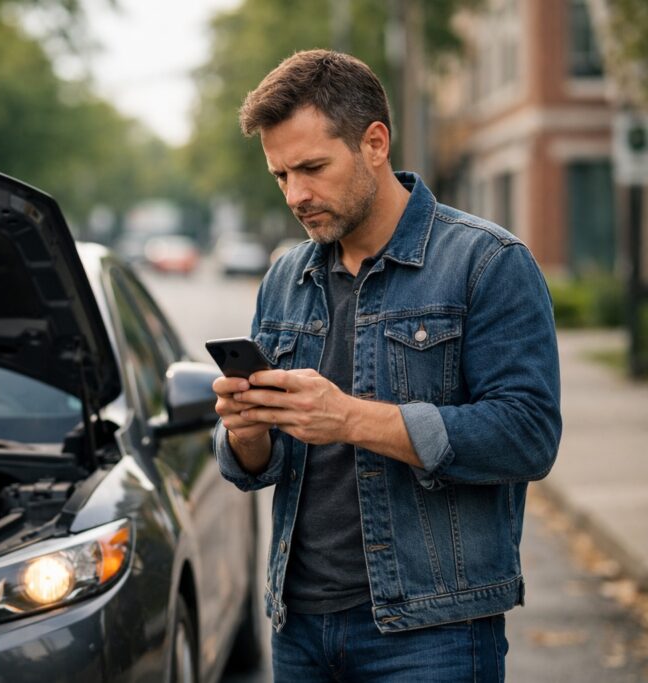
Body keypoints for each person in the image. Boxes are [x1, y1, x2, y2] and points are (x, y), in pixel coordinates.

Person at [212, 49, 561, 682]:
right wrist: (246, 431)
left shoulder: (487, 262)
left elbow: (527, 437)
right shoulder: (285, 278)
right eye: (281, 175)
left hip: (433, 632)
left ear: (375, 142)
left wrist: (349, 418)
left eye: (312, 168)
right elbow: (258, 469)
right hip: (299, 630)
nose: (297, 194)